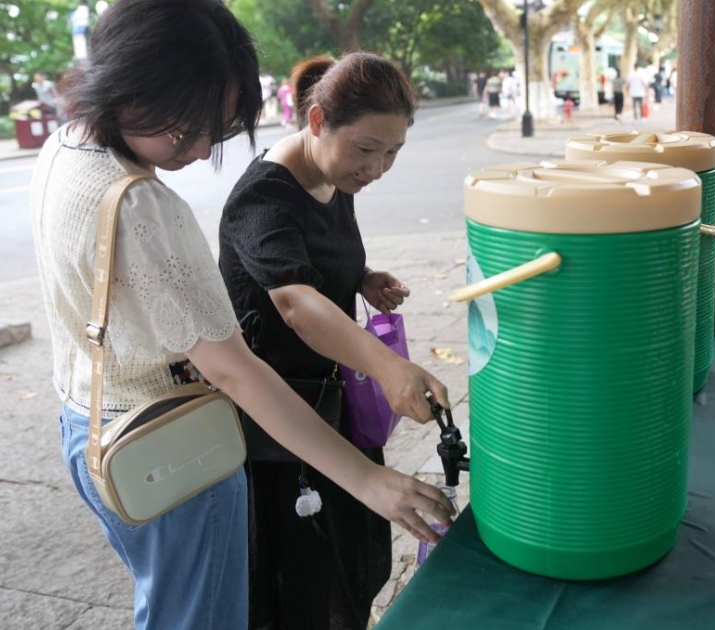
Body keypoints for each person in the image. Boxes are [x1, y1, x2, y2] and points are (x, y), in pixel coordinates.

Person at [29, 2, 454, 629]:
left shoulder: (65, 151)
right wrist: (366, 479)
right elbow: (237, 371)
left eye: (217, 132)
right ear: (131, 87)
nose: (202, 153)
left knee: (172, 606)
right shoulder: (148, 206)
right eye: (188, 129)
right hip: (169, 444)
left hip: (90, 427)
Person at [217, 52, 452, 630]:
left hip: (339, 403)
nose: (377, 168)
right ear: (317, 121)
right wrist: (392, 370)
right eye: (367, 148)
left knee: (356, 559)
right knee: (303, 581)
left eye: (393, 152)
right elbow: (295, 301)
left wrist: (363, 278)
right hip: (283, 426)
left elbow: (326, 264)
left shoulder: (334, 177)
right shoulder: (263, 198)